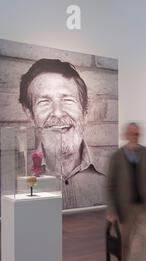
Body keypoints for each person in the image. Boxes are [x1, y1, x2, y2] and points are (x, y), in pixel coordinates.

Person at [19, 58, 106, 209]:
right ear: (30, 114)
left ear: (85, 111)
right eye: (44, 102)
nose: (57, 113)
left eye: (67, 100)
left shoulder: (113, 171)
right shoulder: (12, 179)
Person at [106, 122, 146, 261]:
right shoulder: (116, 157)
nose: (135, 137)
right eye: (132, 134)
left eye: (137, 134)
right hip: (124, 211)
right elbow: (110, 185)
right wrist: (112, 210)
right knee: (124, 247)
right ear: (126, 135)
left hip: (143, 209)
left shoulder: (145, 152)